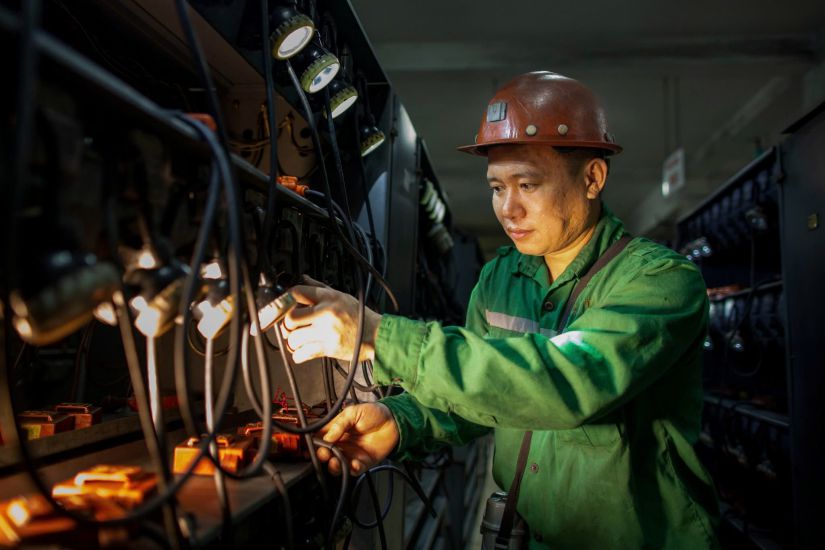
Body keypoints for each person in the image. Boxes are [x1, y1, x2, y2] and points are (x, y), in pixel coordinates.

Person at [281, 71, 720, 548]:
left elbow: (564, 382)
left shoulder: (658, 282)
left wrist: (380, 337)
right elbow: (486, 398)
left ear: (592, 178)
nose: (507, 209)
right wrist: (402, 420)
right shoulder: (500, 278)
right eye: (496, 188)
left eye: (527, 185)